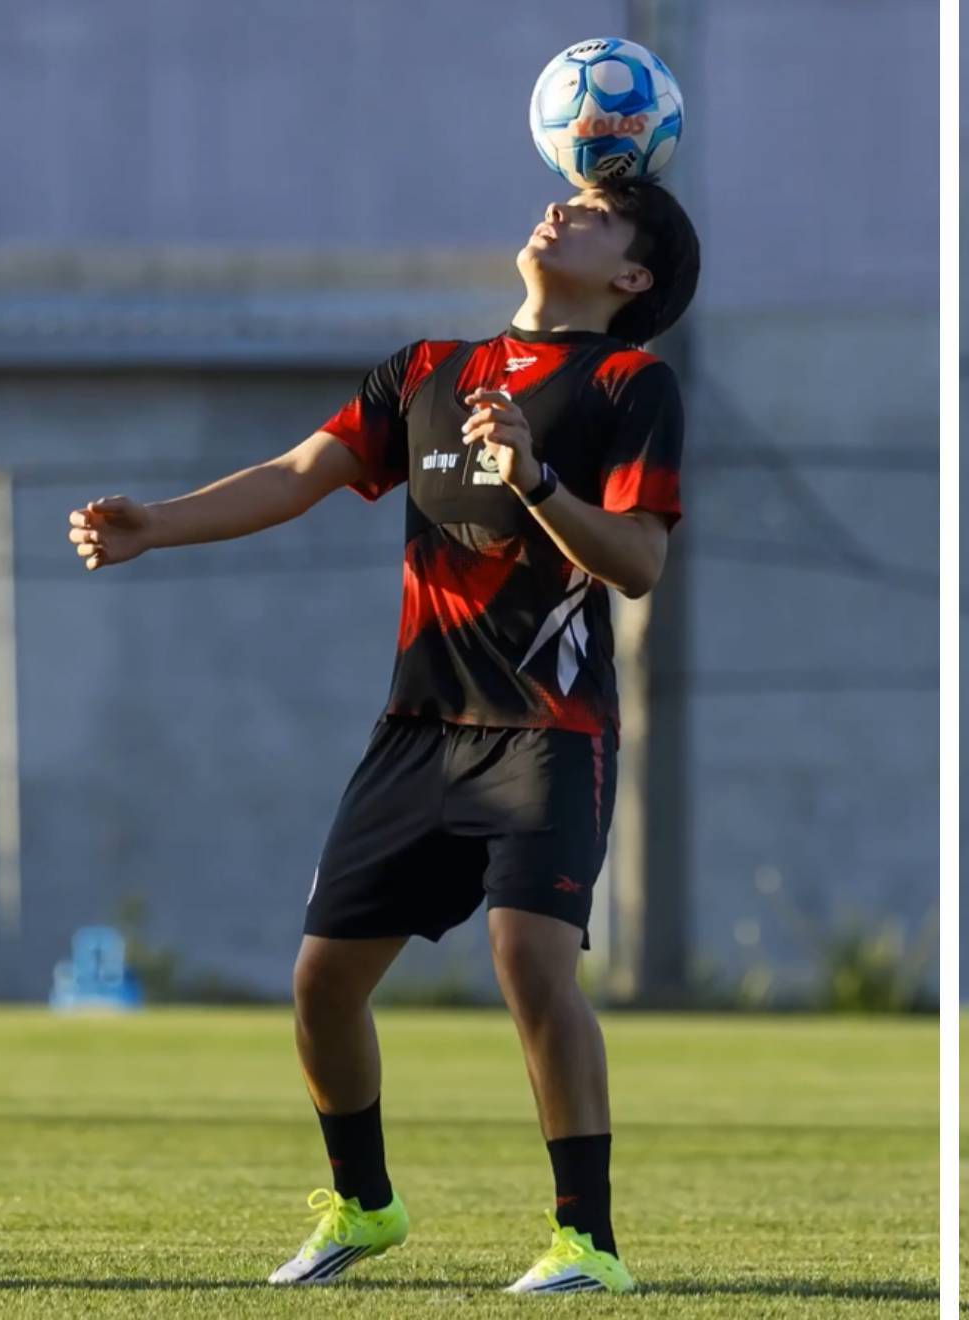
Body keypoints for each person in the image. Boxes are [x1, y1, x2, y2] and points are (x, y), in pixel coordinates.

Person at [65, 175, 700, 1296]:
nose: (563, 209)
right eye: (565, 194)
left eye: (597, 212)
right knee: (319, 986)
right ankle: (364, 1210)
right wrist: (153, 526)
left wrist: (539, 480)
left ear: (633, 277)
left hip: (546, 732)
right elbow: (299, 474)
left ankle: (585, 1244)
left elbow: (639, 564)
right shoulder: (427, 373)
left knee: (530, 964)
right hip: (416, 731)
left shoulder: (628, 383)